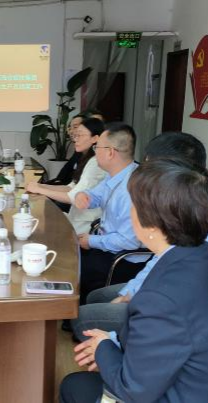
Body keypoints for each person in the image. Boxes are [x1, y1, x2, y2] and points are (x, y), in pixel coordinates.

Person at [60, 159, 208, 403]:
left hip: (187, 394)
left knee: (74, 386)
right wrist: (111, 343)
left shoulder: (160, 300)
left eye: (133, 205)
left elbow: (131, 389)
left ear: (153, 226)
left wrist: (103, 347)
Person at [72, 132, 208, 339]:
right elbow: (161, 260)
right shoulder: (181, 206)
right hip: (171, 296)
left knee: (82, 319)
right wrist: (130, 293)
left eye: (149, 167)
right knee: (96, 297)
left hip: (189, 317)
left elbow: (173, 307)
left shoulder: (196, 221)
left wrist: (113, 339)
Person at [74, 122, 144, 304]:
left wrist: (91, 241)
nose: (94, 151)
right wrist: (84, 195)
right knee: (70, 257)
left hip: (124, 259)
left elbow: (129, 241)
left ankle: (81, 316)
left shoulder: (132, 188)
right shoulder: (115, 174)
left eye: (97, 147)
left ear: (110, 152)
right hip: (107, 245)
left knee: (74, 271)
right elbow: (96, 195)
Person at [26, 118, 106, 234]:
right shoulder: (86, 158)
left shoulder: (95, 163)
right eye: (75, 135)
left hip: (86, 224)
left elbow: (72, 197)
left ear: (95, 138)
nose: (75, 139)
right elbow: (70, 187)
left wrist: (40, 190)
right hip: (77, 217)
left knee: (39, 225)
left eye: (80, 135)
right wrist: (41, 186)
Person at [43, 114, 85, 188]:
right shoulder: (78, 152)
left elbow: (74, 188)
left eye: (75, 127)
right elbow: (62, 177)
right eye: (70, 128)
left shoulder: (91, 157)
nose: (71, 131)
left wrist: (43, 188)